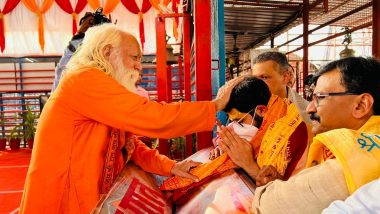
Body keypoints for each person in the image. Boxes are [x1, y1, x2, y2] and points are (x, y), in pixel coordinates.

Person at [19, 24, 242, 213]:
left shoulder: (97, 83)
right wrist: (216, 105)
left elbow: (129, 145)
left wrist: (171, 166)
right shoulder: (84, 80)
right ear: (107, 52)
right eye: (134, 57)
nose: (139, 65)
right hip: (62, 200)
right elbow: (154, 117)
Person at [224, 56, 380, 213]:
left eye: (320, 98)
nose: (310, 108)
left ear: (361, 105)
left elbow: (271, 205)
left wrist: (253, 168)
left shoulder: (354, 158)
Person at [209, 76, 271, 159]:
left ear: (261, 110)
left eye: (239, 122)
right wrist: (220, 146)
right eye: (231, 121)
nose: (232, 127)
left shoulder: (277, 140)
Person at [251, 51, 310, 124]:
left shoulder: (308, 114)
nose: (257, 84)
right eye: (255, 79)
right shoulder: (249, 109)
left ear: (285, 77)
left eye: (264, 77)